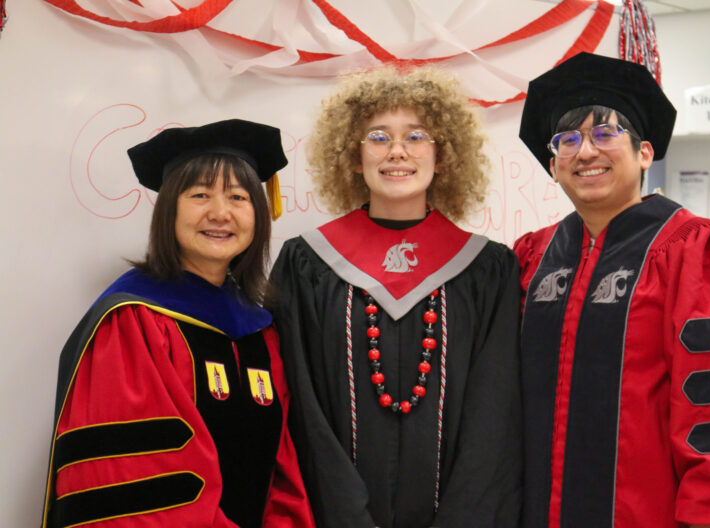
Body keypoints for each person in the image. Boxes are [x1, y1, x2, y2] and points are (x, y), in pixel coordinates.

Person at [514, 52, 710, 528]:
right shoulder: (530, 259)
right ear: (554, 165)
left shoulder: (698, 252)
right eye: (568, 140)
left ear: (644, 153)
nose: (585, 152)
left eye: (605, 133)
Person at [271, 66, 522, 528]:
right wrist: (343, 515)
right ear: (353, 156)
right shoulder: (306, 264)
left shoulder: (487, 270)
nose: (398, 151)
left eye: (417, 136)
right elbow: (301, 403)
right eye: (378, 137)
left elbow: (495, 413)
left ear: (443, 156)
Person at [41, 119, 314, 528]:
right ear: (169, 209)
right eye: (200, 195)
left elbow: (284, 469)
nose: (220, 213)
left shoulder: (260, 331)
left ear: (257, 215)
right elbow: (139, 483)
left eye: (238, 197)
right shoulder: (133, 322)